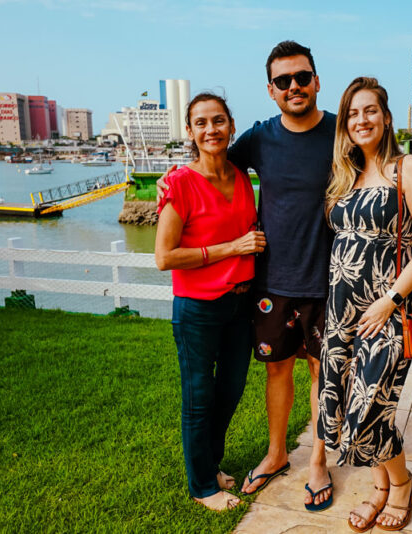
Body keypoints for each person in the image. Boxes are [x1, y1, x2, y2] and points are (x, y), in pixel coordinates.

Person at [158, 41, 335, 511]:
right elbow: (205, 164)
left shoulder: (342, 133)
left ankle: (317, 461)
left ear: (316, 80)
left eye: (301, 77)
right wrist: (169, 180)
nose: (293, 87)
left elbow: (382, 163)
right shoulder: (257, 139)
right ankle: (276, 454)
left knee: (320, 372)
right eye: (283, 81)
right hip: (270, 282)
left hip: (325, 279)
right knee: (274, 371)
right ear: (271, 90)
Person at [317, 77, 412, 532]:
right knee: (349, 403)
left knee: (370, 407)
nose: (360, 120)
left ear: (386, 117)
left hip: (389, 308)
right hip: (342, 310)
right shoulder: (344, 176)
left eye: (369, 110)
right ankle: (379, 487)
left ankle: (402, 485)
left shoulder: (407, 168)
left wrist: (389, 301)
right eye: (351, 114)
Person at [155, 92, 266, 511]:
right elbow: (164, 257)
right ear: (190, 132)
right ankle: (203, 486)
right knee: (199, 397)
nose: (210, 129)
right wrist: (232, 247)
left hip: (240, 306)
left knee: (231, 389)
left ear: (231, 126)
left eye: (218, 121)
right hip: (198, 308)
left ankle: (210, 462)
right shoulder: (180, 183)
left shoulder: (241, 176)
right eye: (200, 123)